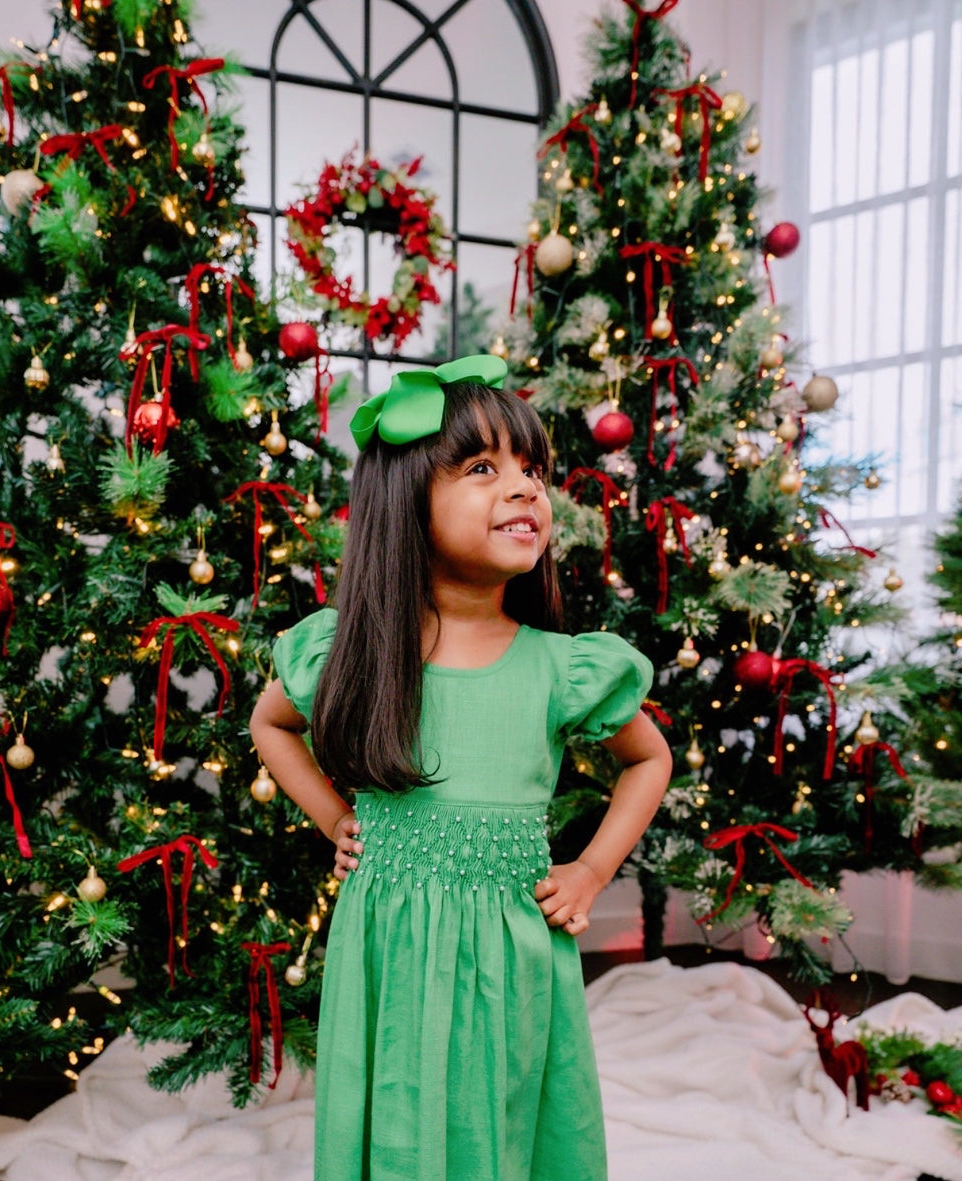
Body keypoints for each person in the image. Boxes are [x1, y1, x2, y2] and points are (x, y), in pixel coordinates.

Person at [250, 355, 672, 1181]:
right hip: (389, 948)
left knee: (502, 1124)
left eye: (532, 471)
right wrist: (337, 817)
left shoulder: (562, 667)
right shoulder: (352, 650)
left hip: (511, 955)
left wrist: (591, 869)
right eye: (484, 469)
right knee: (397, 1116)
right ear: (407, 502)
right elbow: (271, 722)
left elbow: (648, 759)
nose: (524, 489)